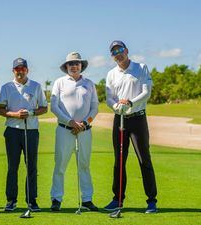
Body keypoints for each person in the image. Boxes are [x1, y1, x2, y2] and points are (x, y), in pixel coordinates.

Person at [104, 40, 158, 213]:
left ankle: (151, 200)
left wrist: (130, 103)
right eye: (114, 52)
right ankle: (117, 199)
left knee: (144, 159)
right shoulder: (111, 74)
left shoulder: (140, 67)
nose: (117, 54)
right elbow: (109, 98)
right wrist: (116, 106)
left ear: (126, 50)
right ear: (112, 56)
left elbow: (146, 92)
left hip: (137, 119)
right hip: (119, 119)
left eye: (120, 50)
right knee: (119, 161)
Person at [50, 52, 99, 211]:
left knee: (84, 165)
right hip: (65, 130)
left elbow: (94, 108)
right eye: (70, 64)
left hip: (85, 131)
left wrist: (84, 123)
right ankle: (56, 198)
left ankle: (86, 199)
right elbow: (54, 107)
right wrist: (70, 122)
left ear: (81, 65)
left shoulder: (89, 84)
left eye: (76, 63)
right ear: (66, 67)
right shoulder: (59, 82)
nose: (74, 66)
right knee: (60, 166)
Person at [0, 58, 48, 212]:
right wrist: (15, 114)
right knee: (13, 166)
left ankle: (31, 200)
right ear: (13, 70)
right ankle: (11, 200)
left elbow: (44, 108)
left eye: (23, 68)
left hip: (31, 131)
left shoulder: (36, 86)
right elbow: (0, 110)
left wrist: (31, 112)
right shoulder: (7, 87)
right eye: (17, 69)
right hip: (12, 131)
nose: (20, 71)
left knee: (31, 166)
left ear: (27, 70)